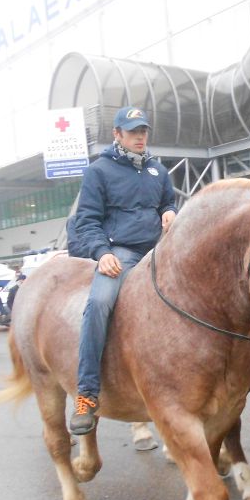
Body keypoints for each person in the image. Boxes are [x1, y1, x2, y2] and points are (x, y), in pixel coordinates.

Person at [69, 106, 176, 435]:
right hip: (121, 253)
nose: (140, 136)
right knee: (99, 304)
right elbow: (86, 221)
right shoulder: (98, 171)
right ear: (117, 135)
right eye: (132, 131)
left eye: (143, 130)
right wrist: (102, 254)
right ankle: (86, 394)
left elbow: (168, 202)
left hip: (159, 251)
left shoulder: (159, 170)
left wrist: (170, 212)